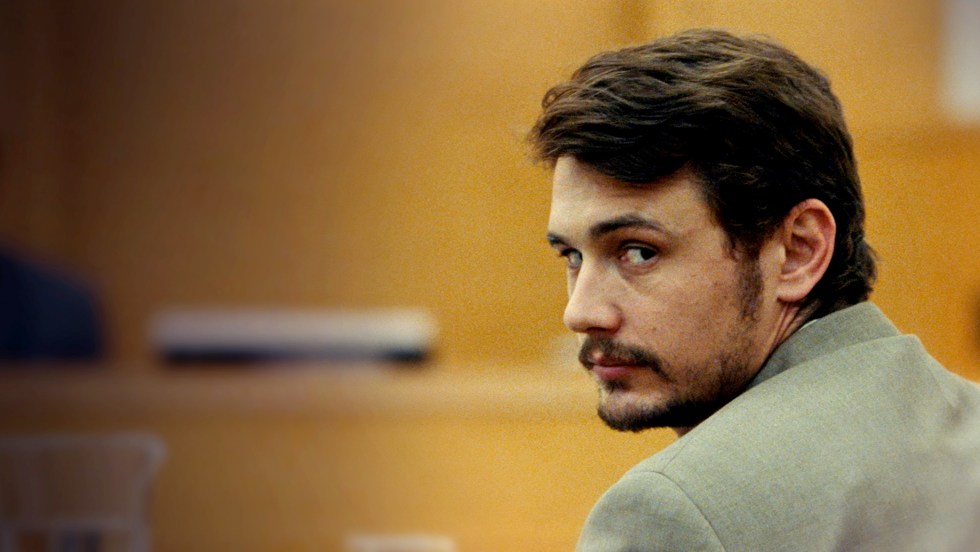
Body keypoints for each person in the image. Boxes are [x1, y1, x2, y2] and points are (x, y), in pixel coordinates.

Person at [529, 28, 980, 551]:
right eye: (572, 256)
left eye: (639, 252)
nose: (580, 311)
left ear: (798, 252)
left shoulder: (675, 512)